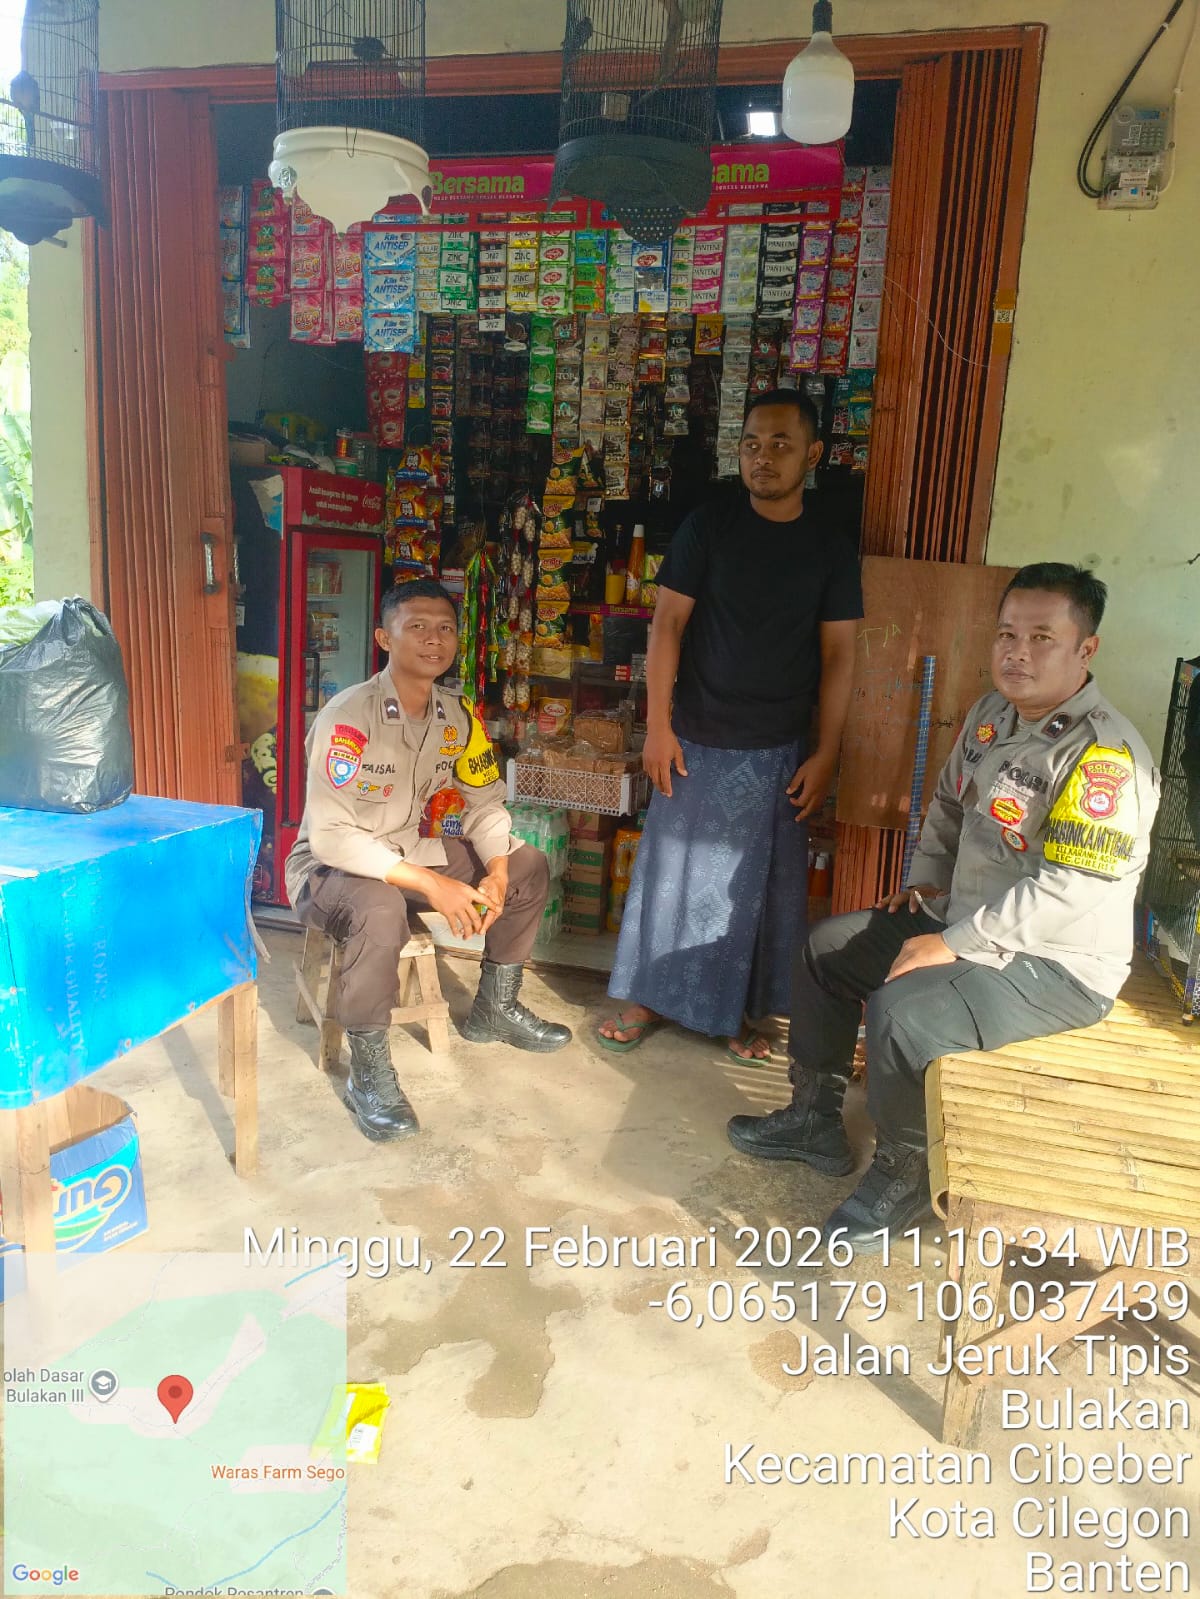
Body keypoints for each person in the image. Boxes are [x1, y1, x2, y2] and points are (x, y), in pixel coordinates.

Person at [727, 563, 1160, 1250]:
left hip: (1056, 964)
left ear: (1086, 649)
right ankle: (813, 1121)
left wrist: (953, 942)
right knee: (826, 951)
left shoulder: (1104, 757)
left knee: (904, 1011)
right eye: (1007, 634)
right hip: (965, 919)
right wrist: (928, 882)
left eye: (1042, 637)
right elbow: (949, 804)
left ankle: (908, 1176)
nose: (1018, 652)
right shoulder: (992, 716)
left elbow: (1069, 889)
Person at [597, 389, 863, 1061]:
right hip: (694, 737)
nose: (762, 458)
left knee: (751, 889)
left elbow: (840, 654)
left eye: (780, 444)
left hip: (778, 748)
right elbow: (666, 625)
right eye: (751, 444)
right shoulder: (707, 527)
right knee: (671, 874)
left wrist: (827, 752)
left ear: (813, 454)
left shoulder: (830, 548)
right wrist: (658, 726)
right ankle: (648, 996)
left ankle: (734, 1012)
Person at [286, 579, 570, 1143]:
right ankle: (369, 1073)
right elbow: (332, 837)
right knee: (379, 907)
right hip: (328, 870)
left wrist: (496, 870)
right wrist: (433, 886)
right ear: (383, 638)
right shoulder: (349, 717)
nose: (433, 639)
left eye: (444, 628)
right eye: (416, 627)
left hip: (405, 852)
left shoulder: (457, 717)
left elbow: (484, 803)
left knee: (528, 865)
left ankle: (495, 1009)